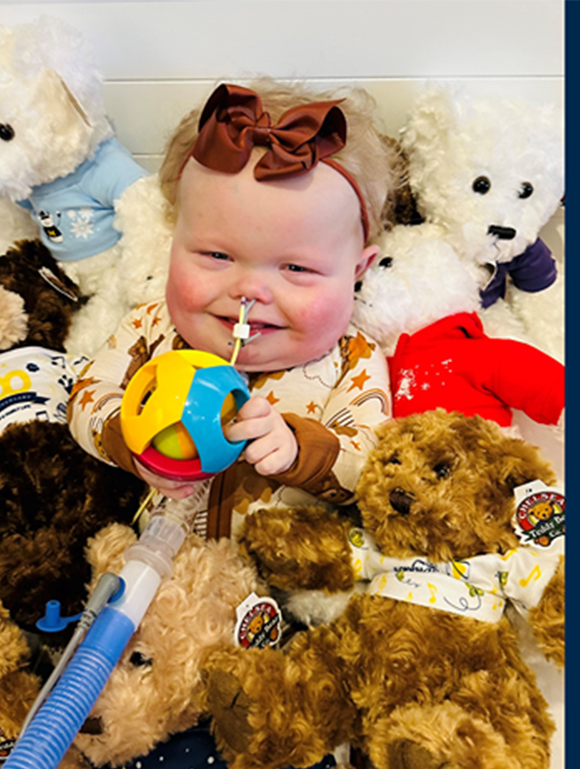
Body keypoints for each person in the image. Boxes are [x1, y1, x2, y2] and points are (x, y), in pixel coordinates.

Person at [69, 81, 394, 539]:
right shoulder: (151, 326)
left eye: (297, 267)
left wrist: (296, 450)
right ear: (171, 241)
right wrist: (127, 435)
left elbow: (374, 470)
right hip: (159, 572)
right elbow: (84, 396)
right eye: (217, 256)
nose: (249, 291)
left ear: (357, 272)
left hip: (283, 590)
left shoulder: (352, 362)